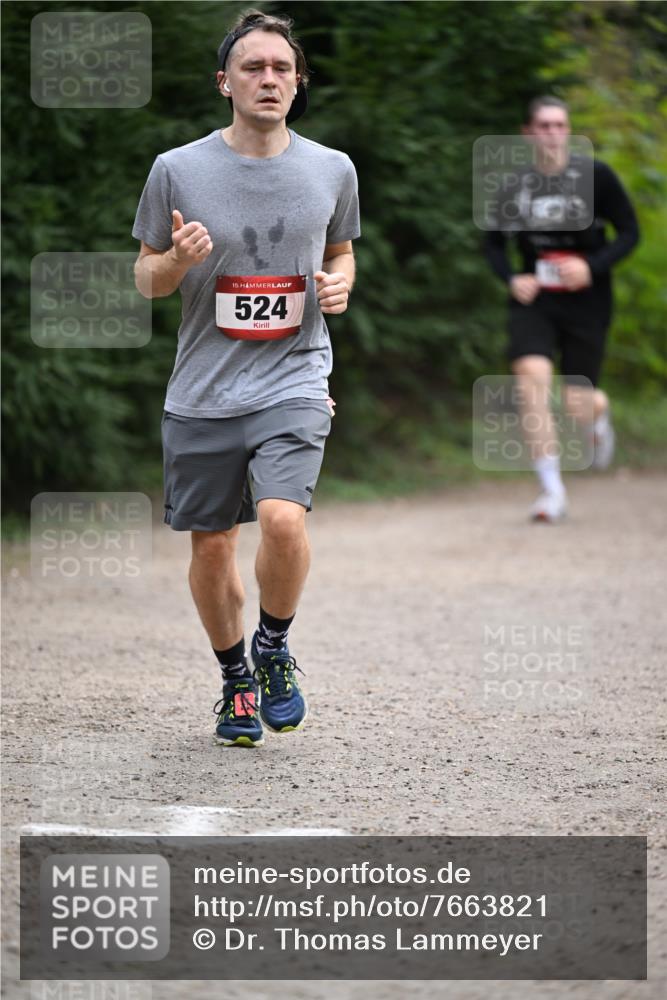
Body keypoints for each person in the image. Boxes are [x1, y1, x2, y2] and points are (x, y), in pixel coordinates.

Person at [132, 9, 360, 746]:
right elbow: (146, 280)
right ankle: (234, 679)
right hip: (202, 387)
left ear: (298, 84)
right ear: (224, 82)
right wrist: (176, 262)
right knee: (208, 548)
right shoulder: (178, 168)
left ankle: (272, 646)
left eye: (282, 69)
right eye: (254, 67)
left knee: (282, 518)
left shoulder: (331, 168)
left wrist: (338, 284)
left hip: (294, 374)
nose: (268, 78)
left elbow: (342, 252)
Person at [484, 96, 639, 521]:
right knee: (530, 378)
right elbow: (493, 244)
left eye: (559, 125)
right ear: (528, 133)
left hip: (588, 301)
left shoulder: (596, 177)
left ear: (568, 131)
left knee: (577, 403)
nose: (552, 133)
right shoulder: (514, 186)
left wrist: (591, 266)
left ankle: (598, 419)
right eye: (543, 126)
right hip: (536, 300)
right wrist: (513, 278)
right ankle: (551, 491)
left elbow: (629, 232)